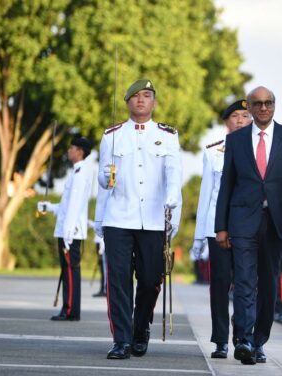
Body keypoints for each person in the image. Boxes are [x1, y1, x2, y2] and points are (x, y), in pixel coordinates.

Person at [214, 86, 282, 365]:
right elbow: (227, 183)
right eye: (257, 104)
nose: (263, 108)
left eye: (268, 103)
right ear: (252, 108)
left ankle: (258, 341)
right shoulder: (237, 140)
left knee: (268, 283)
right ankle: (243, 338)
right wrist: (221, 226)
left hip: (276, 221)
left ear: (274, 105)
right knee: (244, 280)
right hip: (242, 219)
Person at [95, 79, 182, 360]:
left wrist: (173, 210)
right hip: (119, 217)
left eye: (146, 96)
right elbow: (102, 182)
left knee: (149, 280)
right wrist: (105, 178)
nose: (141, 100)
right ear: (127, 102)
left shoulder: (168, 136)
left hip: (154, 219)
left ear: (154, 102)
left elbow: (173, 175)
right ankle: (121, 339)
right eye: (135, 96)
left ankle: (140, 327)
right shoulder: (112, 136)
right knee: (118, 280)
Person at [191, 99, 252, 359]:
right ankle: (220, 340)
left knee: (246, 284)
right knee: (219, 285)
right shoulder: (213, 152)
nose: (240, 120)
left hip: (248, 228)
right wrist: (198, 236)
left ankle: (244, 338)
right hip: (218, 228)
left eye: (245, 116)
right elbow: (206, 195)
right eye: (235, 116)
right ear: (227, 121)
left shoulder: (259, 151)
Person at [38, 136, 94, 322]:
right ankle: (69, 308)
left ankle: (69, 310)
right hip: (68, 230)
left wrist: (68, 233)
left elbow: (75, 206)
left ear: (80, 151)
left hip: (70, 232)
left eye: (71, 148)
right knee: (68, 270)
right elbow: (65, 206)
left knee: (70, 271)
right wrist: (49, 207)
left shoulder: (81, 173)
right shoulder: (76, 172)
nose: (69, 151)